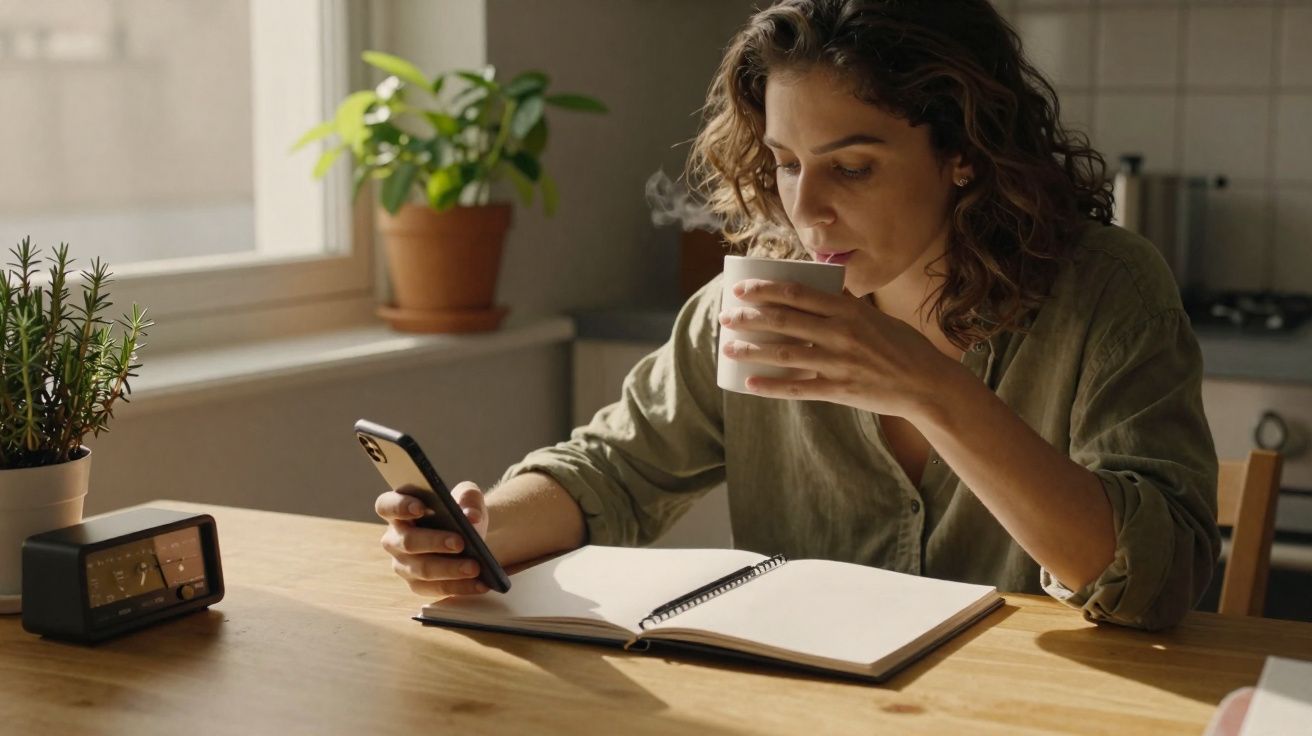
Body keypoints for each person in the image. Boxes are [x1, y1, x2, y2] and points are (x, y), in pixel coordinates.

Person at [375, 0, 1220, 631]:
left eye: (851, 168)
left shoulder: (1104, 289)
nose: (805, 210)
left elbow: (1160, 581)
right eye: (785, 163)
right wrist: (478, 528)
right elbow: (610, 472)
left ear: (963, 155)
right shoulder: (755, 302)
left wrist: (934, 390)